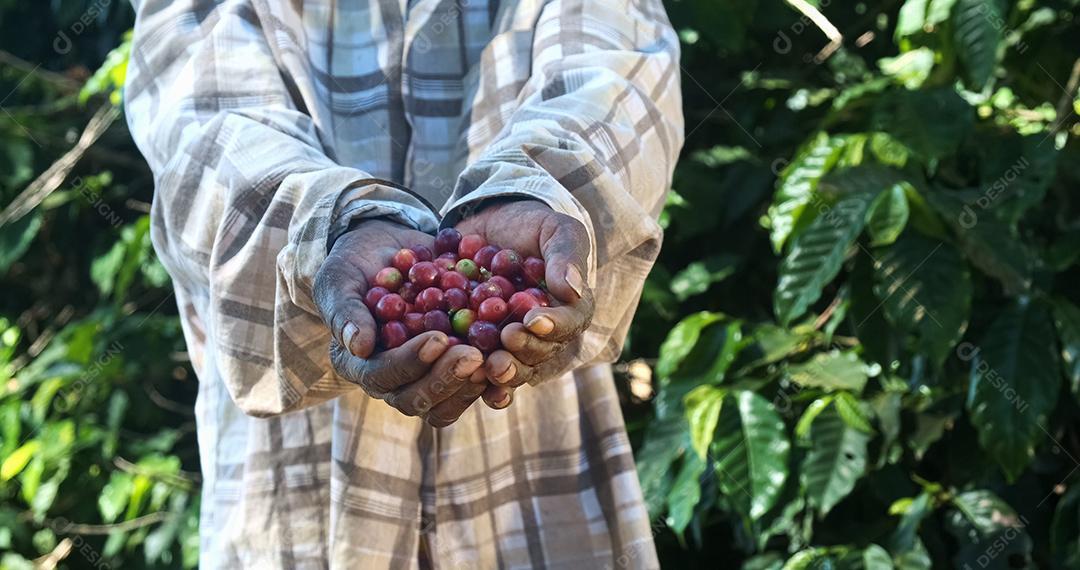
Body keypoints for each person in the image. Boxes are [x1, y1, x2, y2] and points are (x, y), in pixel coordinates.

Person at [124, 0, 683, 567]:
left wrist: (538, 191)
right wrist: (333, 227)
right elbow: (205, 133)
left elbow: (618, 78)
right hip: (302, 487)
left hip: (535, 460)